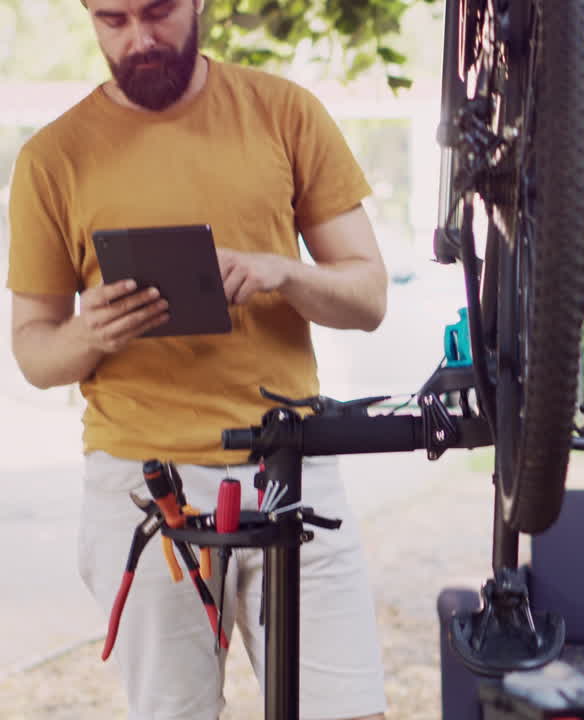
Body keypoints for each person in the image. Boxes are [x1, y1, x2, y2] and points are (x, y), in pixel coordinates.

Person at [7, 1, 389, 717]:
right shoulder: (52, 158)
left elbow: (368, 297)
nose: (139, 39)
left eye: (158, 12)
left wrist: (285, 272)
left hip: (292, 469)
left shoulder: (285, 112)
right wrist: (94, 334)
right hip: (143, 485)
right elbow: (33, 349)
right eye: (112, 20)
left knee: (349, 710)